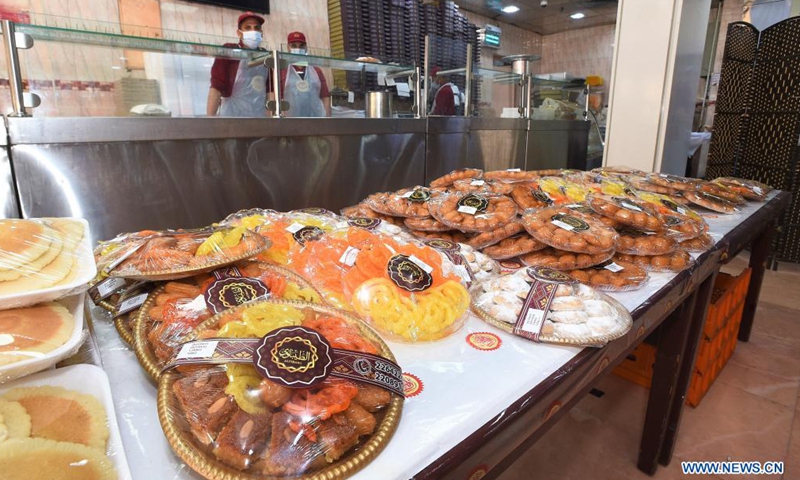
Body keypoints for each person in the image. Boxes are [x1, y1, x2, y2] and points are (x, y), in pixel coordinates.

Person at [206, 12, 268, 117]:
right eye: (248, 28)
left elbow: (271, 91)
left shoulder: (266, 55)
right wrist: (210, 121)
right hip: (232, 116)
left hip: (259, 117)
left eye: (256, 28)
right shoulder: (229, 50)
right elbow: (216, 88)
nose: (253, 31)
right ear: (239, 33)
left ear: (261, 32)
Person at [268, 32, 331, 117]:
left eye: (301, 46)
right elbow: (274, 96)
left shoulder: (316, 71)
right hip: (289, 120)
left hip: (315, 118)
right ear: (288, 47)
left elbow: (325, 96)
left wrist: (327, 119)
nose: (298, 48)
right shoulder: (281, 70)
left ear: (306, 47)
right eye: (294, 45)